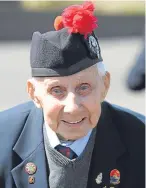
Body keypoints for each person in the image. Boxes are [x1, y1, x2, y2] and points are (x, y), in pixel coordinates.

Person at [0, 2, 145, 188]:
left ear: (105, 85)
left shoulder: (141, 140)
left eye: (84, 87)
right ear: (34, 93)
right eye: (57, 90)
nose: (73, 107)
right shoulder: (3, 139)